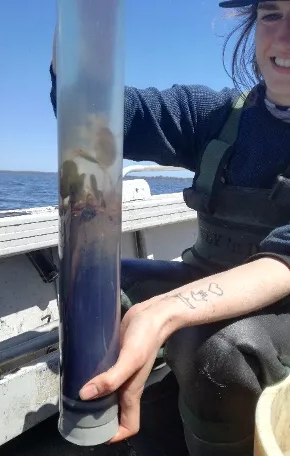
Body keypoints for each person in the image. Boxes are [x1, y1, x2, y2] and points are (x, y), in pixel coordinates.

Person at [50, 1, 290, 455]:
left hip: (284, 307)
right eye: (272, 14)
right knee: (97, 286)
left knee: (220, 349)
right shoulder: (217, 117)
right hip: (206, 278)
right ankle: (111, 428)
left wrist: (163, 312)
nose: (283, 38)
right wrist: (76, 32)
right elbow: (96, 112)